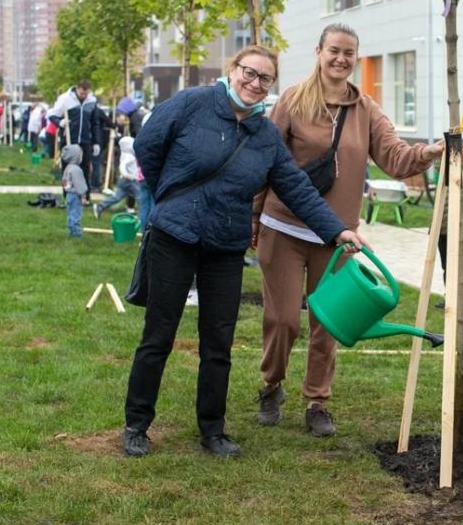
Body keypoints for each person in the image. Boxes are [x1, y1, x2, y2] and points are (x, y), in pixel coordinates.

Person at [122, 44, 366, 458]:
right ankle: (137, 425)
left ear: (271, 86)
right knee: (158, 336)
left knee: (218, 343)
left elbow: (296, 189)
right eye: (248, 73)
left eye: (264, 78)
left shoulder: (265, 136)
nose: (254, 83)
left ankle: (213, 431)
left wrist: (336, 231)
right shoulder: (192, 103)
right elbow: (149, 143)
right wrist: (171, 193)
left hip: (225, 244)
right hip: (174, 235)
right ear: (232, 70)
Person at [253, 23, 442, 438]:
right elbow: (264, 160)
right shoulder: (292, 102)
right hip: (283, 226)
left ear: (355, 58)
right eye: (334, 50)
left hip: (337, 238)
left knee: (329, 323)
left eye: (349, 53)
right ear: (319, 52)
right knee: (283, 319)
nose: (341, 59)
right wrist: (252, 219)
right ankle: (271, 385)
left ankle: (317, 401)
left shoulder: (366, 110)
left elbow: (394, 156)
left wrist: (428, 153)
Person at [49, 80, 101, 201]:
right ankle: (66, 195)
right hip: (69, 140)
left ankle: (85, 196)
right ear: (77, 89)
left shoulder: (92, 101)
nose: (84, 96)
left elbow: (95, 123)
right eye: (82, 93)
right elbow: (52, 115)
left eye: (86, 93)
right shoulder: (65, 99)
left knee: (85, 169)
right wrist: (60, 122)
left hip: (85, 140)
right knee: (67, 170)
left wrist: (96, 142)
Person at [93, 136, 139, 219]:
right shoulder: (129, 156)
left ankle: (100, 206)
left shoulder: (125, 154)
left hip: (124, 181)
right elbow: (122, 166)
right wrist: (126, 175)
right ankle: (143, 216)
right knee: (141, 197)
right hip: (129, 181)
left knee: (117, 197)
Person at [61, 145, 86, 238]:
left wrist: (66, 189)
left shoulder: (68, 168)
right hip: (76, 196)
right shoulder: (77, 170)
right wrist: (83, 196)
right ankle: (76, 232)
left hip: (69, 195)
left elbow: (63, 181)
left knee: (70, 213)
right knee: (76, 213)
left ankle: (71, 229)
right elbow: (80, 185)